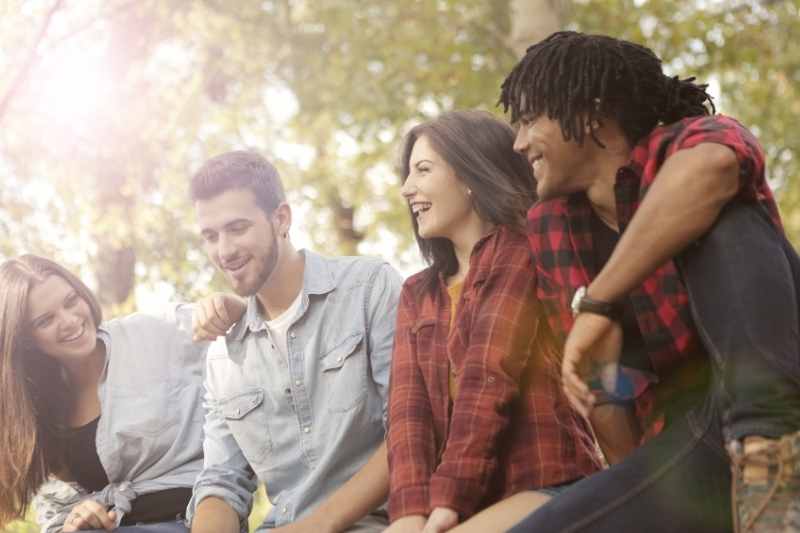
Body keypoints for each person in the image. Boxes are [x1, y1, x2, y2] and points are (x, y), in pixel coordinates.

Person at [496, 31, 800, 532]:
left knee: (724, 215)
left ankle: (770, 451)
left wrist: (598, 303)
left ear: (590, 113)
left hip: (779, 399)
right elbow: (600, 391)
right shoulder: (552, 225)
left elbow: (713, 169)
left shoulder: (695, 141)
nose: (518, 142)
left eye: (530, 120)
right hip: (702, 440)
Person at [384, 110, 600, 533]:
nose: (408, 189)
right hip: (468, 507)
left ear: (469, 174)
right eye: (407, 175)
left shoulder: (519, 250)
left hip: (549, 484)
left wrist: (446, 503)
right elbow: (408, 414)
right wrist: (409, 514)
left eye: (423, 170)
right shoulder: (417, 292)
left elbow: (488, 375)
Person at [185, 151, 403, 533]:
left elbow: (409, 432)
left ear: (281, 219)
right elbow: (222, 480)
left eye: (237, 228)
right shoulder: (223, 355)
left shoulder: (368, 288)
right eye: (210, 236)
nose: (224, 251)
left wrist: (312, 528)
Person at [0, 255, 206, 533]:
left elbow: (246, 327)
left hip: (194, 513)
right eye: (45, 320)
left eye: (71, 301)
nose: (69, 321)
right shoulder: (38, 409)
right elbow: (56, 514)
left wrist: (224, 307)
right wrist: (75, 522)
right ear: (25, 339)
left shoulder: (151, 333)